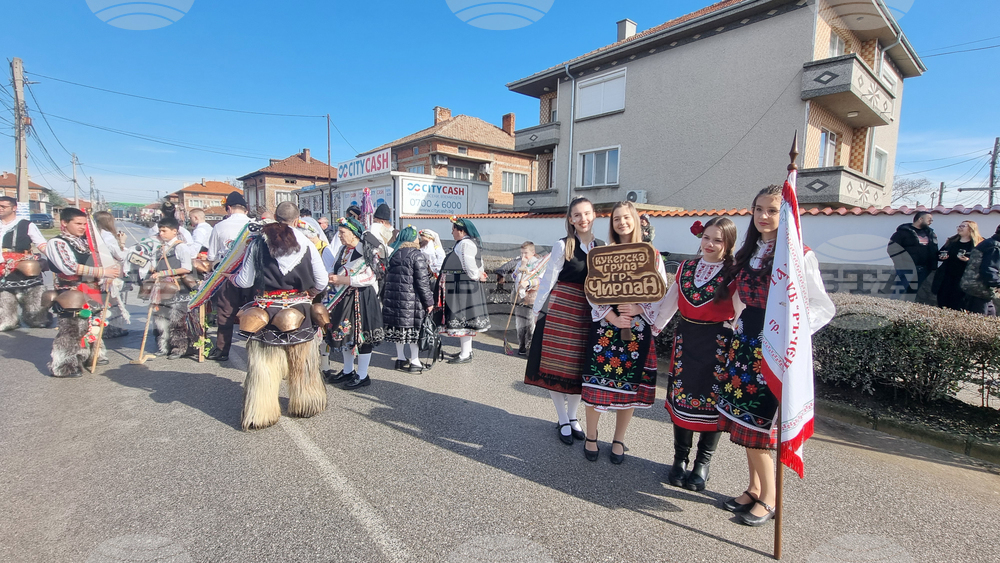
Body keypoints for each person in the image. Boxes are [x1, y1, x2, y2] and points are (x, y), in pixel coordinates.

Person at [715, 185, 834, 526]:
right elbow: (742, 298)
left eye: (772, 210)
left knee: (760, 426)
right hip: (745, 343)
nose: (764, 216)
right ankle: (754, 487)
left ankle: (770, 499)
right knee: (742, 421)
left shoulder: (798, 255)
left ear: (785, 215)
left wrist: (790, 337)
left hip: (773, 348)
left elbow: (822, 306)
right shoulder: (752, 249)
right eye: (759, 210)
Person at [655, 217, 743, 490]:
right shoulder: (685, 268)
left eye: (718, 240)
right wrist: (654, 328)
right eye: (707, 237)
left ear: (728, 244)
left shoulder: (735, 273)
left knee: (711, 404)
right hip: (687, 339)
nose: (710, 244)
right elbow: (671, 300)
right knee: (683, 399)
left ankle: (702, 463)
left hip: (718, 344)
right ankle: (680, 458)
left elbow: (740, 312)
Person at [580, 201, 668, 465]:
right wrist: (613, 316)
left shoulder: (651, 254)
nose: (622, 223)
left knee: (630, 384)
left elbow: (659, 290)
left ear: (636, 220)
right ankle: (591, 435)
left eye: (626, 217)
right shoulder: (602, 253)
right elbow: (592, 289)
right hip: (607, 325)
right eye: (617, 219)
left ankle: (619, 438)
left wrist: (638, 306)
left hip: (637, 328)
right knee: (596, 382)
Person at [233, 201, 328, 430]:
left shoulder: (257, 244)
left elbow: (244, 280)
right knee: (303, 362)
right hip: (300, 309)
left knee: (264, 365)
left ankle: (261, 413)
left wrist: (231, 278)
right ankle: (306, 404)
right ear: (297, 220)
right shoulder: (307, 243)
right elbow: (322, 281)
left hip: (265, 310)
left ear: (275, 218)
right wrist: (309, 293)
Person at [524, 197, 604, 445]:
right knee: (556, 364)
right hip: (561, 307)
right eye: (577, 215)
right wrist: (537, 311)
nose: (583, 219)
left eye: (587, 213)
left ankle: (572, 416)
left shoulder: (603, 247)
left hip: (588, 310)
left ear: (594, 215)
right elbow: (549, 278)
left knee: (579, 367)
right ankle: (561, 417)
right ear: (570, 219)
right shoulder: (564, 245)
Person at [45, 208, 121, 377]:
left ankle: (94, 354)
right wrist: (102, 272)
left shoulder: (87, 242)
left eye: (84, 224)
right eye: (78, 223)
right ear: (64, 223)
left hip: (92, 289)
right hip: (71, 291)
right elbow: (69, 266)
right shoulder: (57, 243)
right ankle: (65, 364)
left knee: (93, 323)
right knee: (72, 328)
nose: (82, 227)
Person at [324, 216, 384, 388]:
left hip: (362, 297)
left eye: (343, 232)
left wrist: (343, 280)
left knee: (362, 336)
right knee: (346, 335)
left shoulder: (366, 250)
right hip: (345, 296)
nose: (340, 236)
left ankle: (363, 375)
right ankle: (348, 370)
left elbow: (369, 276)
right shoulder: (344, 250)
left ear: (353, 233)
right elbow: (335, 267)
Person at [205, 191, 253, 362]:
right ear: (246, 209)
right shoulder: (254, 225)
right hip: (251, 276)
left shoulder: (219, 227)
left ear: (228, 208)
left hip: (227, 275)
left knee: (225, 313)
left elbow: (211, 256)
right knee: (252, 312)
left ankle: (222, 350)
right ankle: (255, 351)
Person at [436, 217, 490, 364]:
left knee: (464, 319)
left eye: (454, 229)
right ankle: (467, 351)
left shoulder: (465, 244)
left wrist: (477, 275)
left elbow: (469, 266)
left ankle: (465, 354)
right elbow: (479, 263)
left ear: (461, 231)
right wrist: (480, 273)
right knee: (466, 318)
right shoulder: (470, 243)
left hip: (464, 285)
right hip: (466, 284)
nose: (452, 232)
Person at [382, 226, 434, 373]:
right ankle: (415, 362)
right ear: (412, 239)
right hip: (411, 301)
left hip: (393, 299)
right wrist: (429, 302)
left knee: (399, 331)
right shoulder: (416, 255)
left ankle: (400, 358)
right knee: (413, 332)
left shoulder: (393, 254)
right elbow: (423, 282)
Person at [144, 217, 195, 359]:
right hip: (162, 288)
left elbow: (186, 267)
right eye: (160, 230)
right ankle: (164, 346)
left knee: (176, 320)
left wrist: (164, 273)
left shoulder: (180, 247)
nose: (161, 233)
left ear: (174, 231)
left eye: (164, 230)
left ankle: (179, 348)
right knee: (160, 318)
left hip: (177, 288)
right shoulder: (160, 248)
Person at [0, 195, 50, 331]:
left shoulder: (26, 225)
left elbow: (41, 244)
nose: (0, 209)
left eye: (3, 206)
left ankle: (37, 318)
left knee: (32, 294)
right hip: (1, 268)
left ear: (14, 208)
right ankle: (8, 320)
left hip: (22, 266)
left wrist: (55, 258)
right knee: (4, 294)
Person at [93, 211, 129, 339]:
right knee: (111, 301)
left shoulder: (92, 234)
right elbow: (120, 255)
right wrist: (123, 243)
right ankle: (112, 329)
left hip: (93, 271)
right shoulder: (107, 236)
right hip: (108, 271)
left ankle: (97, 327)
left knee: (98, 301)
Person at [885, 211, 938, 296]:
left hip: (924, 268)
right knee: (899, 291)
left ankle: (907, 308)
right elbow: (892, 249)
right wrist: (901, 264)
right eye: (929, 219)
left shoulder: (930, 234)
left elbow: (933, 249)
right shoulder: (903, 232)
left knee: (912, 293)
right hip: (906, 267)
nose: (930, 222)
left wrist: (938, 258)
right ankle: (891, 308)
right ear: (920, 219)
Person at [933, 220, 982, 310]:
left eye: (963, 226)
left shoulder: (977, 244)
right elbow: (939, 254)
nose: (959, 228)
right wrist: (941, 257)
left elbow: (980, 261)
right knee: (942, 300)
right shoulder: (952, 241)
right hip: (947, 276)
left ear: (971, 229)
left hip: (964, 278)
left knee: (958, 302)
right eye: (959, 226)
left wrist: (968, 260)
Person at [510, 241, 542, 356]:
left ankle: (530, 348)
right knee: (520, 323)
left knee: (530, 323)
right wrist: (521, 268)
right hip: (519, 297)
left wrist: (529, 282)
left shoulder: (538, 264)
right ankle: (521, 345)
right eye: (522, 253)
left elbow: (540, 279)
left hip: (531, 297)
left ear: (533, 252)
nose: (524, 256)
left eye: (526, 253)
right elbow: (513, 276)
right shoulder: (520, 263)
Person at [965, 224, 1000, 315]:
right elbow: (989, 270)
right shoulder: (994, 246)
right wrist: (998, 284)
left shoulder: (990, 243)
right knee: (981, 319)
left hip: (978, 288)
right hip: (980, 289)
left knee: (989, 316)